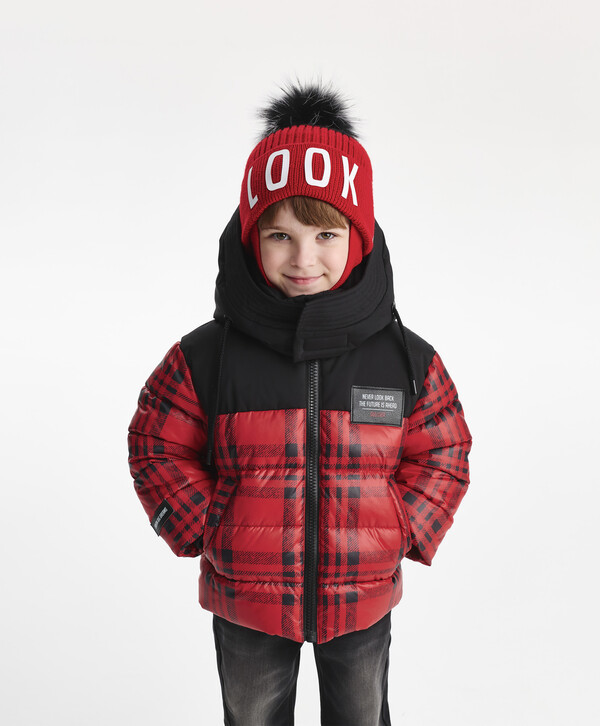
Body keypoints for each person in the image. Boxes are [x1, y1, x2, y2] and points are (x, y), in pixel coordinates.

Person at [127, 82, 472, 726]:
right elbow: (155, 445)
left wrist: (403, 527)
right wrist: (205, 526)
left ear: (358, 237)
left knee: (361, 715)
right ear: (251, 236)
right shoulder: (206, 356)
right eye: (280, 235)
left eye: (325, 233)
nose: (303, 258)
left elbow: (444, 449)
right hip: (248, 599)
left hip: (361, 598)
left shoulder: (405, 359)